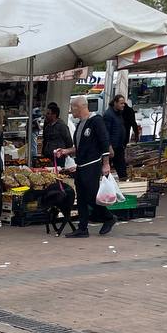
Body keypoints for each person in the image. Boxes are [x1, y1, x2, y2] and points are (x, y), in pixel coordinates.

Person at [53, 95, 114, 238]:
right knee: (80, 197)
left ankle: (108, 217)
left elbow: (104, 142)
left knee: (91, 196)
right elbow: (79, 147)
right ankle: (82, 228)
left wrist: (105, 164)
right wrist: (66, 151)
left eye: (72, 108)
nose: (71, 111)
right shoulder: (80, 124)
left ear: (79, 107)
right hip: (80, 165)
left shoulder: (96, 121)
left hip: (92, 165)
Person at [103, 98, 127, 178]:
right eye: (121, 103)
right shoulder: (108, 115)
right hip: (112, 146)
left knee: (122, 168)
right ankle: (106, 185)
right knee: (108, 168)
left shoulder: (119, 113)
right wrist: (109, 147)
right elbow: (106, 133)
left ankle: (123, 182)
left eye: (123, 103)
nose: (123, 105)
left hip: (119, 145)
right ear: (115, 103)